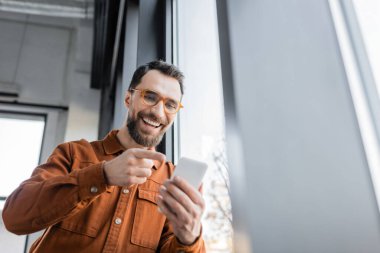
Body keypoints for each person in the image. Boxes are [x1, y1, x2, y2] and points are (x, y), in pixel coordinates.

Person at [2, 60, 206, 253]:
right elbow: (14, 217)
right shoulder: (74, 153)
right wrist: (102, 175)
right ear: (128, 99)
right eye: (150, 97)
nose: (159, 112)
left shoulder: (173, 181)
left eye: (170, 105)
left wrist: (189, 239)